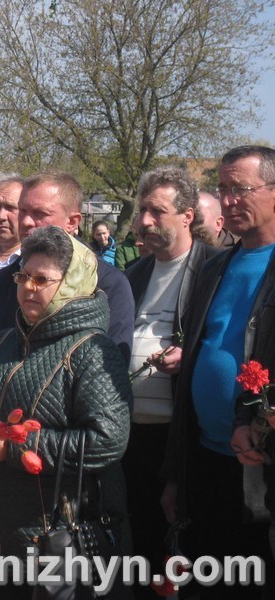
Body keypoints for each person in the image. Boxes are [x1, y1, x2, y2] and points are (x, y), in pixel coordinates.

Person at [0, 226, 132, 599]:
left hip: (56, 544)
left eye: (42, 279)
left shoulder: (92, 351)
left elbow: (108, 441)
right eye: (23, 277)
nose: (28, 287)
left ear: (70, 284)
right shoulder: (2, 342)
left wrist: (15, 450)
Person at [163, 146, 275, 599]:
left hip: (259, 474)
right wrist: (175, 474)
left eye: (240, 189)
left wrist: (260, 425)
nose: (228, 201)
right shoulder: (213, 268)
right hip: (204, 463)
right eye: (223, 189)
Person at [123, 167, 219, 598]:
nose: (144, 221)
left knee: (180, 560)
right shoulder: (134, 275)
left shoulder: (212, 272)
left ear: (187, 215)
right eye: (142, 210)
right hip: (128, 438)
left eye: (156, 211)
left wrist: (191, 358)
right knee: (137, 551)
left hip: (180, 440)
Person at [0, 171, 134, 369]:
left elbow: (112, 369)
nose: (26, 222)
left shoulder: (108, 283)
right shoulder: (4, 280)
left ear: (72, 222)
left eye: (39, 213)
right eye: (22, 211)